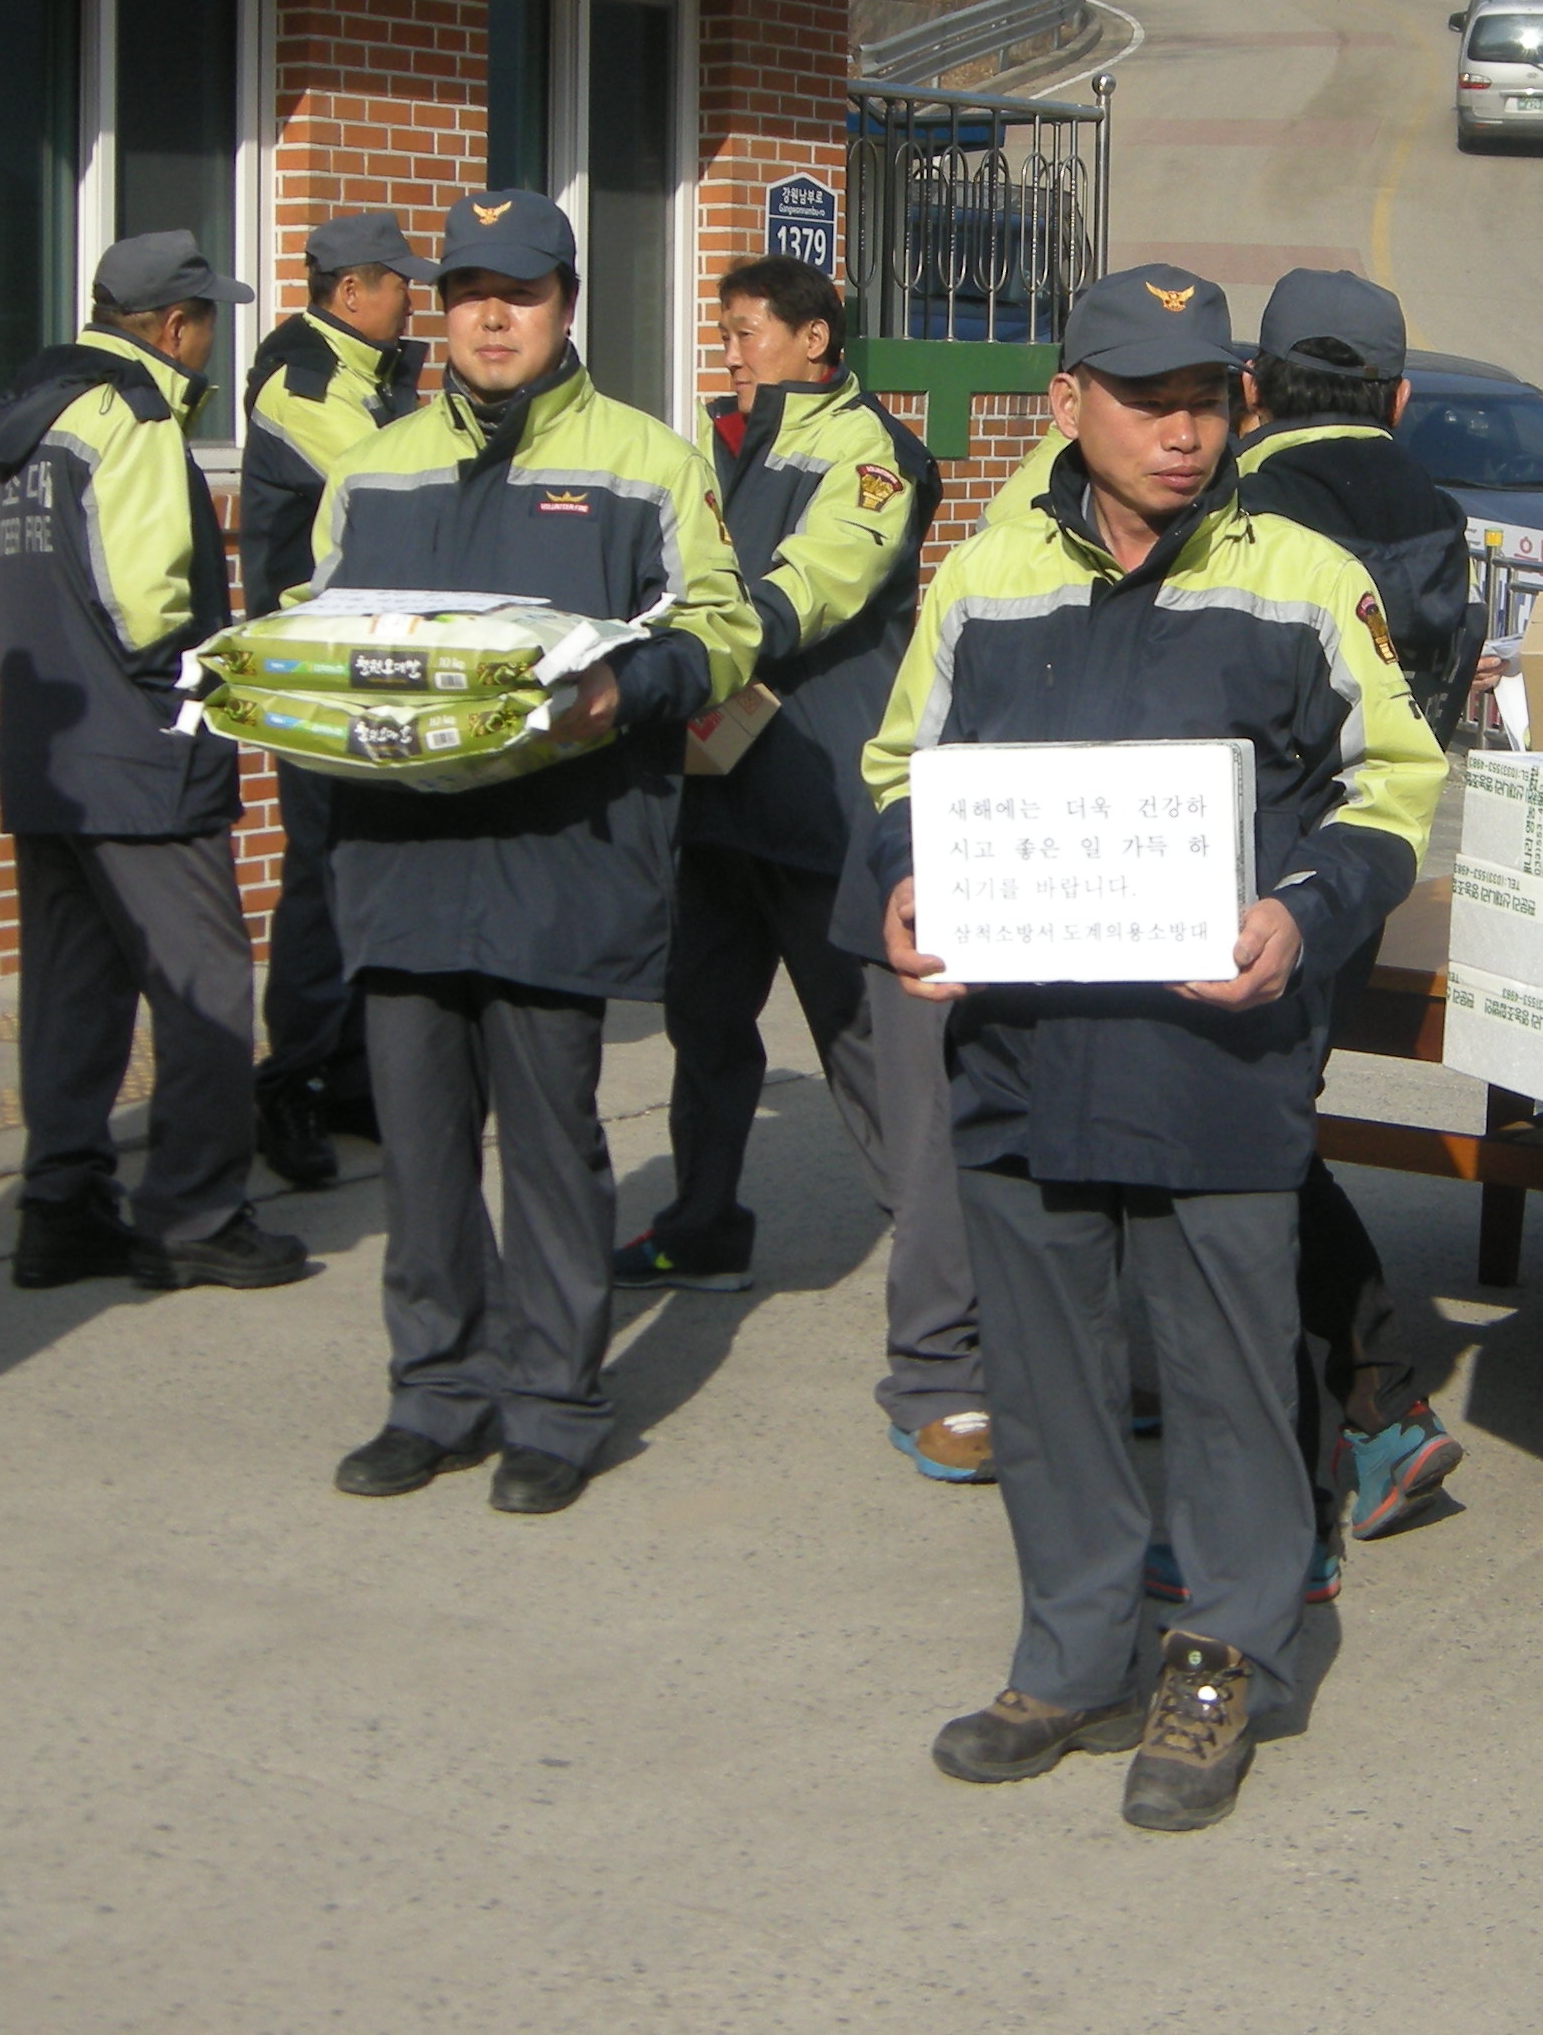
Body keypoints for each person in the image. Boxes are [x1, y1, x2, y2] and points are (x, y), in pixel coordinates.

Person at [877, 265, 1445, 1832]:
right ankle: (1070, 1655)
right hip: (1021, 1052)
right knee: (1051, 1383)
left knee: (1227, 1384)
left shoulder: (1307, 579)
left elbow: (1394, 784)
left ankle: (1223, 1661)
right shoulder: (985, 574)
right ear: (1070, 403)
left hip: (1213, 1059)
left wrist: (1304, 909)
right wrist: (903, 882)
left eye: (1206, 399)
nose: (1183, 431)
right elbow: (900, 764)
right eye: (1147, 400)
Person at [304, 189, 758, 1516]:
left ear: (567, 306)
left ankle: (556, 1405)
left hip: (563, 849)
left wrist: (633, 683)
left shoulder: (646, 461)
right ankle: (435, 1392)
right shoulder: (372, 468)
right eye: (469, 295)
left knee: (552, 1142)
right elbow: (316, 631)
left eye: (521, 294)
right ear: (441, 310)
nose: (492, 319)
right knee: (420, 1146)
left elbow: (724, 629)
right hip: (402, 852)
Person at [629, 254, 987, 1486]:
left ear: (816, 339)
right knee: (703, 1018)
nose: (730, 350)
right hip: (716, 783)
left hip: (821, 795)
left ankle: (953, 1287)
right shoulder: (717, 442)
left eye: (748, 332)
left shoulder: (870, 450)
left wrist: (706, 645)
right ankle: (702, 1222)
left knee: (868, 1049)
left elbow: (824, 581)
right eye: (725, 332)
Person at [0, 237, 309, 1301]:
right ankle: (195, 1215)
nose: (212, 338)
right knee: (204, 983)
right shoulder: (136, 416)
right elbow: (145, 605)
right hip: (142, 754)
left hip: (50, 748)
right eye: (207, 318)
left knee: (72, 988)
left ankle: (61, 1209)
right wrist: (212, 680)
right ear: (172, 325)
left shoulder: (31, 415)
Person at [1232, 267, 1478, 1550]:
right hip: (1363, 868)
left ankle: (1370, 1399)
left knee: (1241, 1137)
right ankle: (1360, 1399)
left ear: (1253, 386)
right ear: (1399, 395)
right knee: (1270, 1122)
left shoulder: (1234, 500)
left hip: (1239, 880)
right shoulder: (1434, 509)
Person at [240, 209, 436, 1192]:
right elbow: (399, 489)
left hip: (371, 665)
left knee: (370, 870)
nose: (415, 301)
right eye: (400, 284)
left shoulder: (373, 375)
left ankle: (353, 1075)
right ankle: (291, 1084)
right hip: (316, 675)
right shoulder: (307, 384)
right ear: (351, 292)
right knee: (322, 876)